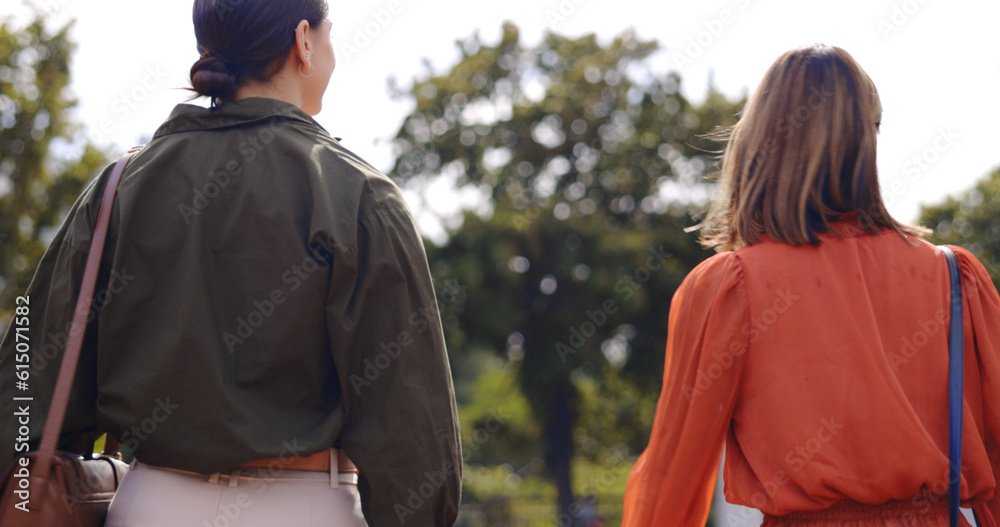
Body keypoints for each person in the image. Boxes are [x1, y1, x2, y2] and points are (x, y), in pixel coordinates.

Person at [0, 0, 462, 525]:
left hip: (149, 506)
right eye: (329, 33)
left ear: (207, 49)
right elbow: (410, 426)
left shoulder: (116, 189)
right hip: (306, 508)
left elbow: (25, 375)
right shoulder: (358, 194)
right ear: (303, 41)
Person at [621, 44, 1000, 526]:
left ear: (758, 138)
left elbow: (672, 479)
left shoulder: (731, 287)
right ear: (869, 137)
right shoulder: (953, 277)